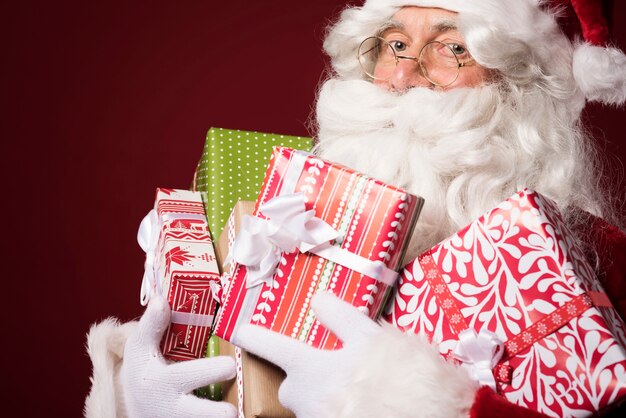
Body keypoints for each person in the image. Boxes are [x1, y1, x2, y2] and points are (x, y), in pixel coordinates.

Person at [84, 0, 626, 417]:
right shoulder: (277, 214)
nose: (403, 76)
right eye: (394, 44)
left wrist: (409, 403)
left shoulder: (599, 259)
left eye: (453, 48)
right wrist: (137, 402)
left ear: (521, 89)